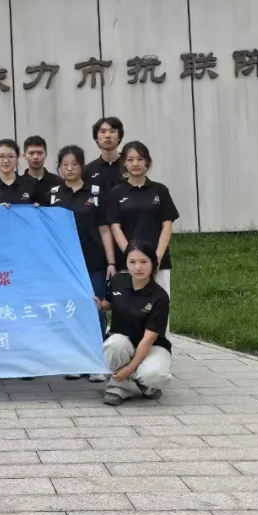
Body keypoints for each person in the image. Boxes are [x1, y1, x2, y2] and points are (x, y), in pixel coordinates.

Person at [46, 145, 114, 383]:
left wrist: (111, 261)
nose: (69, 168)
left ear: (82, 166)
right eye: (65, 165)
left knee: (95, 308)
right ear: (59, 168)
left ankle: (97, 361)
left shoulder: (95, 193)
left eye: (74, 164)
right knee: (71, 309)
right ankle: (76, 360)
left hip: (93, 260)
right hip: (64, 264)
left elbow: (104, 229)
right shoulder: (53, 194)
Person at [96, 240, 172, 406]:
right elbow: (110, 303)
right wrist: (99, 305)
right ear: (126, 263)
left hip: (151, 346)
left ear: (153, 263)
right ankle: (118, 386)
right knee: (114, 345)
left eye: (143, 262)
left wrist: (129, 369)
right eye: (132, 262)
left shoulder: (160, 297)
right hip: (123, 343)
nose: (138, 267)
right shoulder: (117, 280)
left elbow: (149, 339)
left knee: (154, 375)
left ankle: (142, 381)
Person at [106, 141, 179, 299]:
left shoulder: (160, 190)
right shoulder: (115, 193)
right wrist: (131, 257)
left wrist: (156, 257)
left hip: (159, 262)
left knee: (159, 304)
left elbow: (167, 225)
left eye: (140, 159)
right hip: (128, 263)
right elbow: (115, 228)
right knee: (129, 307)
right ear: (124, 163)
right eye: (130, 159)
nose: (135, 164)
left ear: (147, 162)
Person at [84, 117, 126, 193]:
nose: (107, 136)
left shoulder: (129, 166)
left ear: (119, 137)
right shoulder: (87, 170)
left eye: (112, 131)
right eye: (103, 132)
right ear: (96, 138)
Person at [23, 135, 63, 202]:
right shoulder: (18, 184)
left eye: (40, 153)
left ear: (46, 155)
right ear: (24, 156)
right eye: (31, 153)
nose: (35, 157)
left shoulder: (58, 182)